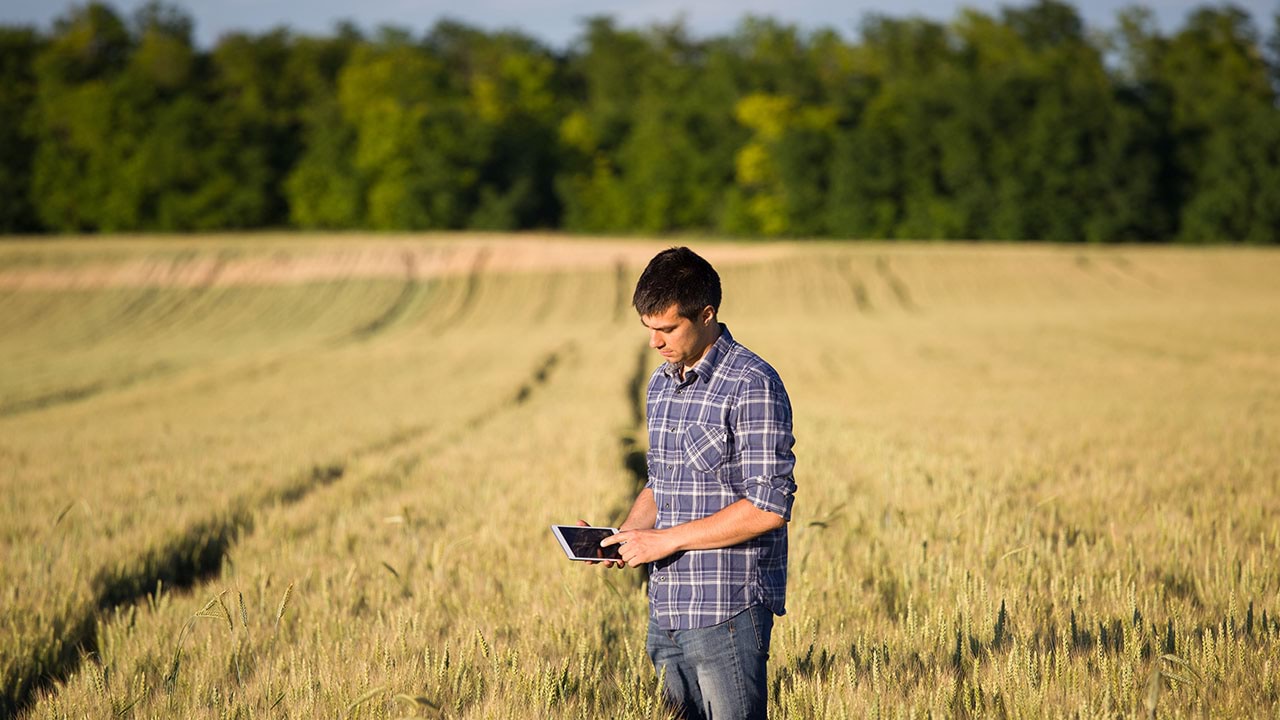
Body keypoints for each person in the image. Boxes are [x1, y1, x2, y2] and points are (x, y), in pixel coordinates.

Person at [592, 246, 797, 720]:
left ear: (706, 315)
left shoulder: (752, 383)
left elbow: (769, 506)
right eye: (648, 329)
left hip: (726, 609)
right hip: (665, 611)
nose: (654, 343)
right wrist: (625, 536)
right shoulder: (663, 383)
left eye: (666, 329)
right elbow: (660, 484)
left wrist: (662, 541)